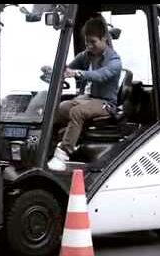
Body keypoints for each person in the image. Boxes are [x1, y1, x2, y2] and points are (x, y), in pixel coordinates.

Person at [47, 17, 122, 171]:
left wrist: (77, 73)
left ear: (104, 39)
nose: (89, 46)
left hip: (105, 104)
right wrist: (55, 70)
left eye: (92, 42)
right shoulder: (86, 55)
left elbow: (100, 75)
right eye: (87, 42)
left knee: (77, 112)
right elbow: (68, 68)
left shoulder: (114, 61)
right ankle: (52, 146)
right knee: (59, 108)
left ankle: (62, 154)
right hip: (88, 99)